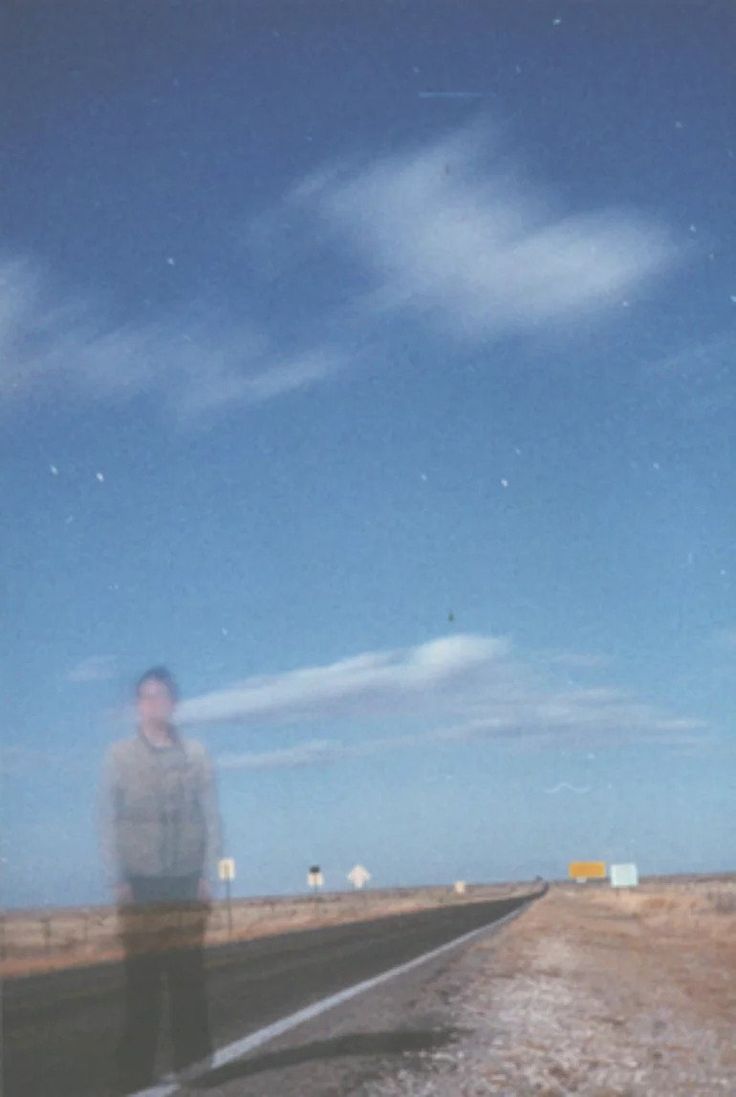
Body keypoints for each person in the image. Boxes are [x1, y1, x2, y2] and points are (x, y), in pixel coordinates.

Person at [98, 666, 222, 1094]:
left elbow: (210, 817)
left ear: (174, 703)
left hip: (186, 881)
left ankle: (196, 1067)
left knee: (188, 976)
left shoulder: (196, 756)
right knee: (143, 981)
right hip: (141, 883)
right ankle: (134, 1074)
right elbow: (106, 821)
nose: (154, 705)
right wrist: (118, 878)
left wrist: (207, 873)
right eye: (146, 698)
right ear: (137, 705)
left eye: (162, 697)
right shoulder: (120, 757)